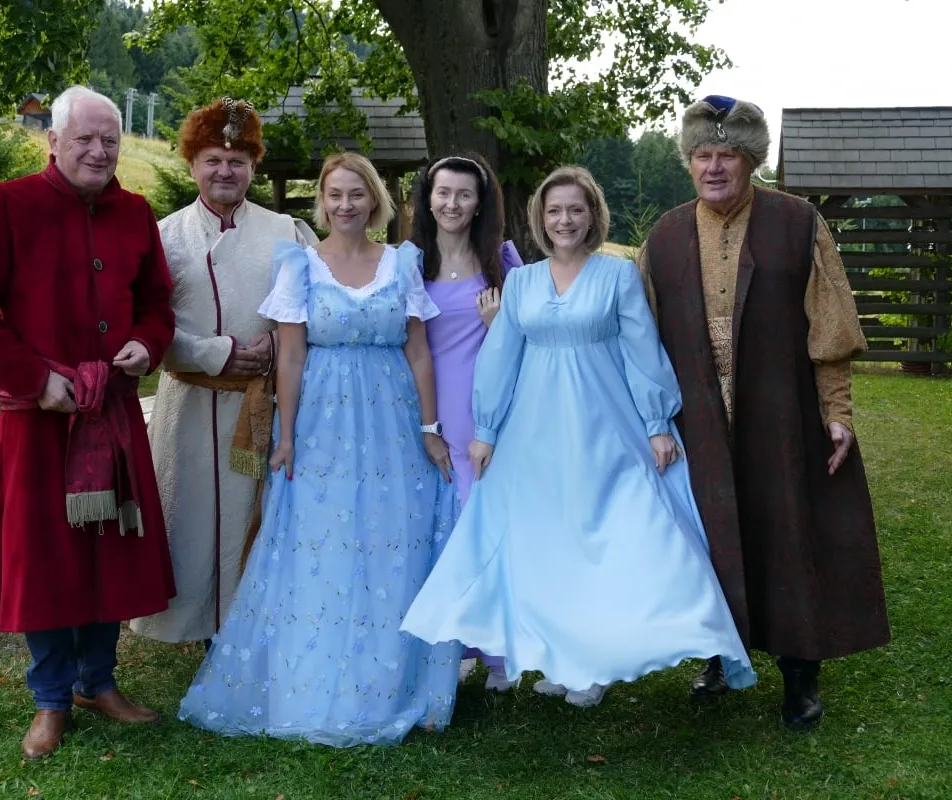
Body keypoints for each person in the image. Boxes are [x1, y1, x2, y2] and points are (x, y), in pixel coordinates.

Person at [401, 165, 756, 709]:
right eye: (554, 210)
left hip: (604, 428)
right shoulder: (522, 282)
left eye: (575, 209)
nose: (564, 220)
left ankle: (597, 662)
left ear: (593, 216)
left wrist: (657, 424)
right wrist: (486, 430)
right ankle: (563, 657)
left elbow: (642, 352)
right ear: (540, 219)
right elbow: (500, 358)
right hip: (536, 435)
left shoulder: (617, 276)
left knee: (607, 539)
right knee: (553, 543)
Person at [177, 152, 461, 747]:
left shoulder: (402, 262)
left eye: (357, 193)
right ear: (323, 201)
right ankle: (314, 683)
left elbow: (417, 351)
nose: (345, 204)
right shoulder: (300, 265)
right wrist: (286, 436)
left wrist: (430, 428)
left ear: (374, 198)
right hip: (323, 422)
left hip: (391, 420)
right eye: (335, 194)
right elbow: (291, 355)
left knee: (390, 542)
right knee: (323, 541)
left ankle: (391, 683)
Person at [639, 95, 891, 730]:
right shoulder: (664, 236)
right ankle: (720, 655)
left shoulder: (797, 222)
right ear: (688, 162)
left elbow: (830, 328)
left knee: (787, 535)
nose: (714, 167)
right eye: (703, 155)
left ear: (750, 161)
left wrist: (837, 410)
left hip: (780, 411)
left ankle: (800, 674)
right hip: (696, 415)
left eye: (727, 155)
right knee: (710, 536)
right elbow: (639, 339)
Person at [0, 85, 176, 760]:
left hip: (112, 411)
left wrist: (147, 344)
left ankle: (98, 682)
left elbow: (157, 303)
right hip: (38, 420)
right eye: (85, 139)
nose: (99, 151)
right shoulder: (5, 205)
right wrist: (34, 378)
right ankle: (50, 698)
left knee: (108, 550)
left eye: (110, 141)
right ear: (53, 140)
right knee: (45, 559)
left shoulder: (135, 214)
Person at [129, 98, 317, 648]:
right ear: (192, 164)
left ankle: (250, 628)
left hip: (264, 403)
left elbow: (318, 307)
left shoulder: (287, 232)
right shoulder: (162, 236)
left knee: (252, 514)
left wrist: (279, 345)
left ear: (254, 166)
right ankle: (191, 621)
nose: (225, 171)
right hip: (188, 405)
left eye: (237, 161)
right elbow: (143, 323)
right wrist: (215, 353)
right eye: (213, 159)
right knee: (188, 517)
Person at [408, 152, 523, 692]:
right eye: (443, 193)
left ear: (480, 204)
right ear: (428, 199)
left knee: (484, 528)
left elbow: (530, 336)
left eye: (464, 194)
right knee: (440, 529)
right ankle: (453, 645)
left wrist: (500, 324)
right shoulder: (409, 262)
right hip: (427, 409)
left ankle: (497, 651)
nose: (452, 203)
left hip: (484, 410)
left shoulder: (501, 260)